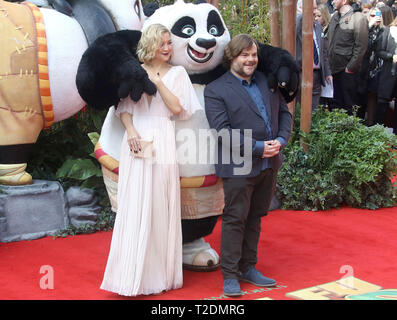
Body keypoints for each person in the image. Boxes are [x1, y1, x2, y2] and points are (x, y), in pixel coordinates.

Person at [100, 23, 200, 296]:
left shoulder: (178, 73)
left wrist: (157, 82)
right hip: (136, 139)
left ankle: (159, 275)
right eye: (162, 43)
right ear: (150, 45)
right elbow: (124, 108)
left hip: (163, 138)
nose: (167, 48)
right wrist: (131, 131)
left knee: (159, 202)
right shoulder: (135, 71)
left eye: (169, 43)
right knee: (134, 202)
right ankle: (130, 273)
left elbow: (179, 109)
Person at [204, 34, 292, 297]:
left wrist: (280, 140)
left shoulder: (268, 81)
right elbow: (221, 132)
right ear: (232, 57)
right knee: (235, 219)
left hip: (270, 162)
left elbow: (285, 115)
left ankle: (248, 267)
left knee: (256, 216)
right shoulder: (216, 89)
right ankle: (230, 275)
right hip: (239, 165)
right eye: (244, 55)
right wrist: (257, 148)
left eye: (253, 55)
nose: (251, 59)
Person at [327, 0, 368, 115]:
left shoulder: (358, 18)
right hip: (332, 69)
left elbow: (361, 46)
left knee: (348, 106)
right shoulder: (335, 16)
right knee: (334, 106)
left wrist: (350, 68)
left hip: (347, 72)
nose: (333, 1)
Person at [296, 0, 333, 110]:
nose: (315, 12)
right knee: (299, 108)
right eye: (312, 9)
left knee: (314, 109)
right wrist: (301, 14)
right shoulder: (296, 25)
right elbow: (297, 23)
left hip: (317, 73)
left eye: (315, 8)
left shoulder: (317, 26)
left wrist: (327, 72)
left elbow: (323, 52)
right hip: (300, 73)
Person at [357, 7, 384, 124]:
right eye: (372, 15)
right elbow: (361, 46)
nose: (375, 17)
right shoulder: (365, 30)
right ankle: (359, 122)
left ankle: (371, 124)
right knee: (360, 99)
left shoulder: (384, 31)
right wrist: (369, 26)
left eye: (377, 15)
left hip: (377, 69)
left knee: (373, 99)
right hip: (363, 69)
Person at [375, 16, 397, 132]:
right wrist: (391, 56)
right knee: (381, 104)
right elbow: (379, 51)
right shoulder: (388, 31)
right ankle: (377, 132)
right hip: (388, 72)